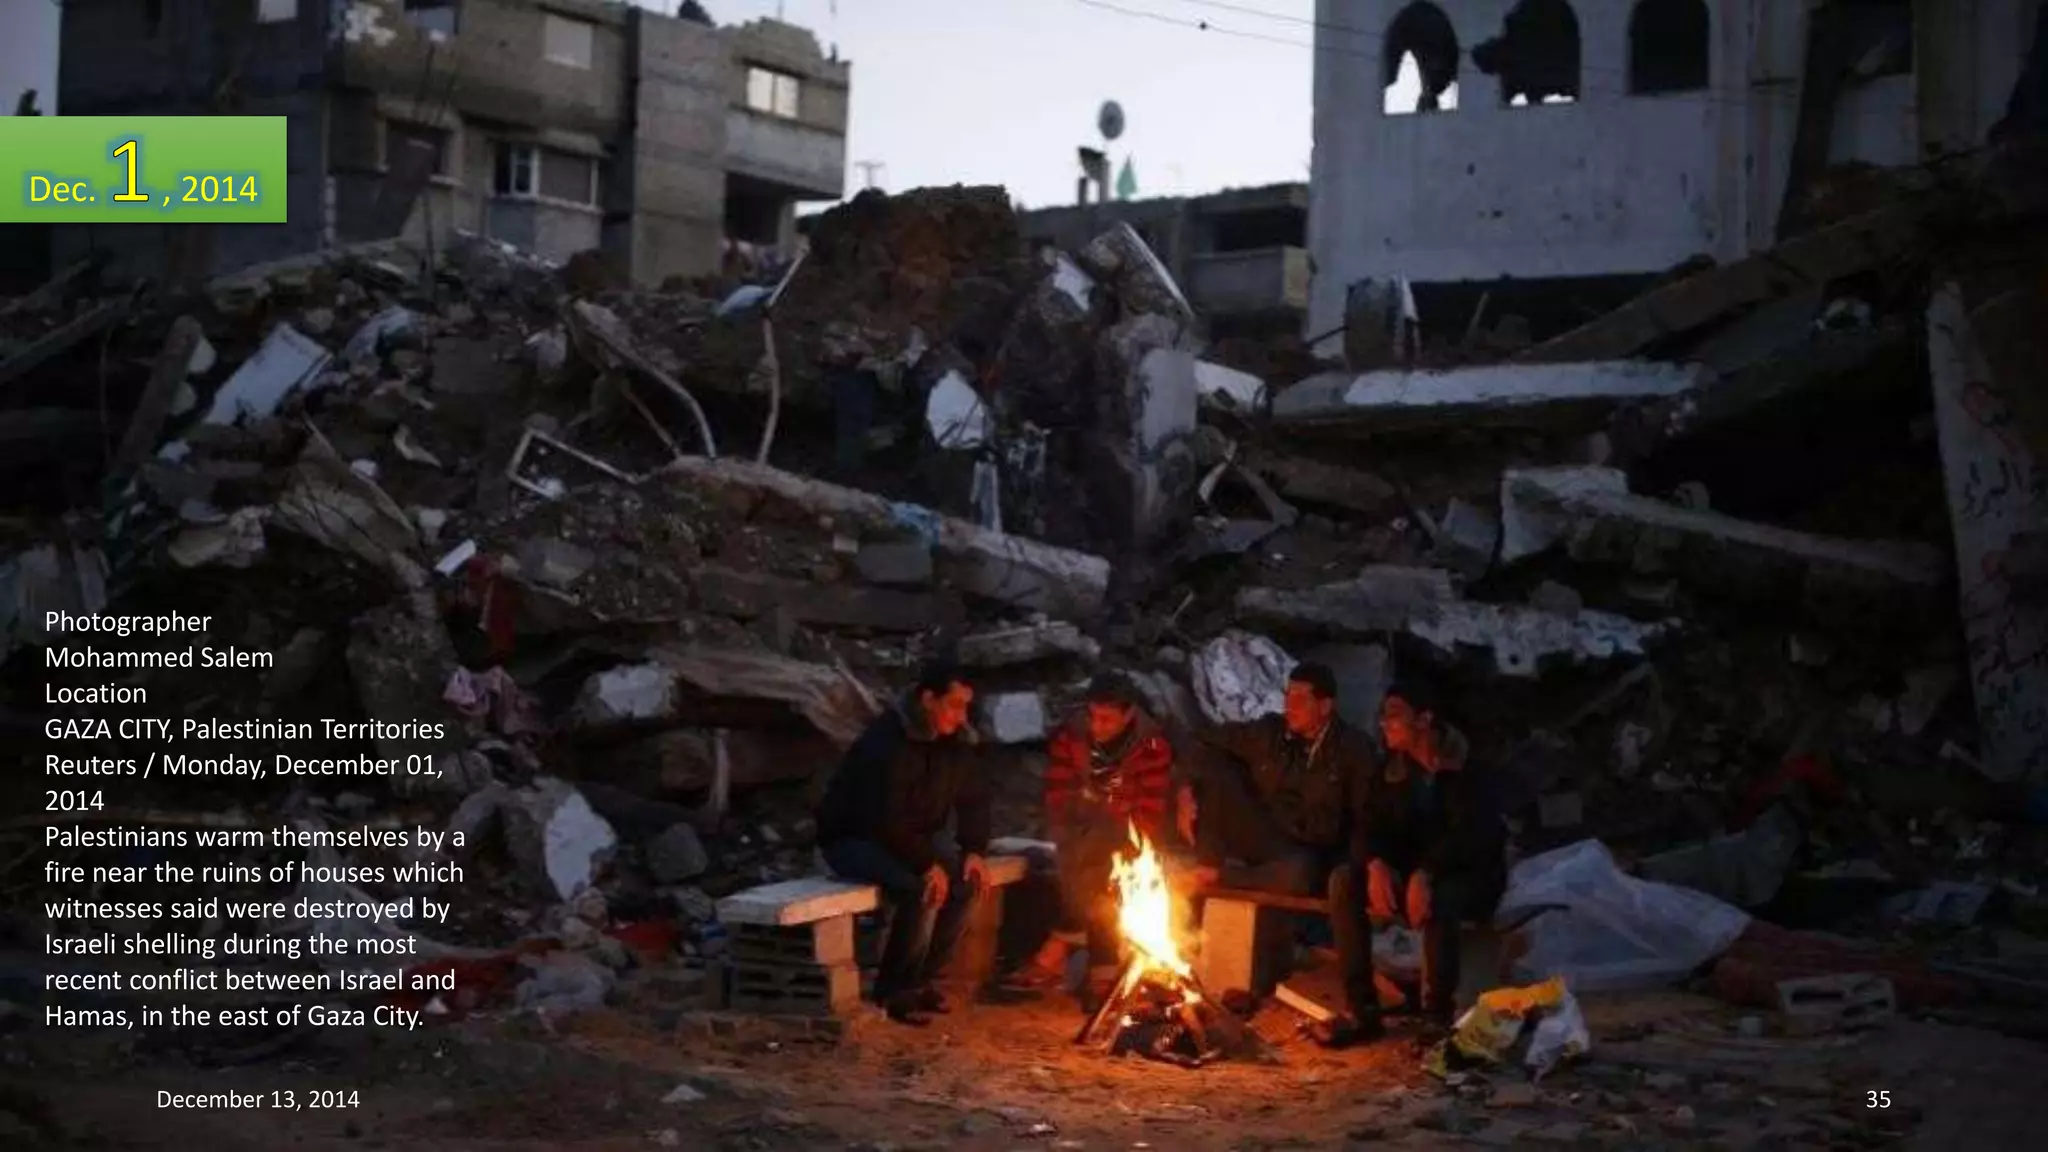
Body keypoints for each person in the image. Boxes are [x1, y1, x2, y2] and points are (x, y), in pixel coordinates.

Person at [1191, 663, 1383, 1047]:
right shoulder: (1271, 733)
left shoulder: (1354, 750)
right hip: (1271, 837)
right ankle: (1210, 866)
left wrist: (1368, 864)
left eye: (1301, 698)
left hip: (1319, 852)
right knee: (1217, 772)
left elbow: (1366, 820)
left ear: (1325, 706)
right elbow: (1206, 739)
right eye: (1287, 695)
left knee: (1300, 875)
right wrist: (1187, 790)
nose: (1289, 705)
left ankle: (1222, 879)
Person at [815, 660, 993, 1025]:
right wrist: (927, 864)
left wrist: (973, 848)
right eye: (954, 705)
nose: (961, 716)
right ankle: (894, 990)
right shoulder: (888, 741)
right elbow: (883, 817)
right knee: (921, 889)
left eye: (966, 707)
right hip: (855, 838)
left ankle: (922, 979)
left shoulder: (955, 742)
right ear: (929, 699)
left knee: (966, 885)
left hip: (910, 839)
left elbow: (973, 797)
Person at [1019, 673, 1179, 993]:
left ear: (1129, 714)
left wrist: (1112, 814)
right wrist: (1082, 820)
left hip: (1128, 839)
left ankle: (1061, 945)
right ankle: (1100, 968)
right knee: (1091, 861)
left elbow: (1149, 811)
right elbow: (1058, 796)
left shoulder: (1150, 745)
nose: (1097, 726)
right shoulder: (1072, 738)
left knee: (1103, 861)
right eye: (1093, 716)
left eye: (1107, 719)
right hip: (1078, 834)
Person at [1360, 692, 1505, 1030]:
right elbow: (1370, 822)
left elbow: (1472, 837)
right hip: (1414, 871)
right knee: (1344, 882)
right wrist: (1375, 862)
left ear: (1423, 720)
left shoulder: (1468, 766)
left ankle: (1436, 1011)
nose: (1385, 723)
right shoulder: (1392, 770)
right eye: (1383, 714)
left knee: (1443, 900)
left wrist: (1427, 872)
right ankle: (1362, 1004)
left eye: (1394, 714)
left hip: (1469, 873)